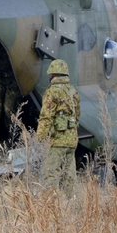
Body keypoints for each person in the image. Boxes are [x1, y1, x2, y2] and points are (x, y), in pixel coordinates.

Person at [37, 59, 81, 191]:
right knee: (69, 176)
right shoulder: (73, 91)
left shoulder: (53, 91)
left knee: (50, 175)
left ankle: (50, 207)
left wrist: (40, 137)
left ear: (52, 75)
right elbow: (77, 114)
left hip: (57, 141)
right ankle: (71, 204)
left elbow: (46, 117)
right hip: (72, 141)